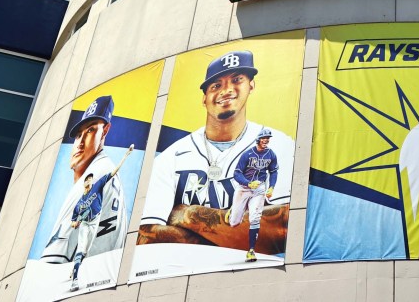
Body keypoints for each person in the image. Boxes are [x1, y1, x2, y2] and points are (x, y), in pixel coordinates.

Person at [138, 50, 294, 255]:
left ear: (251, 86)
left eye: (237, 79)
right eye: (216, 85)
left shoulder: (280, 144)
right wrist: (232, 237)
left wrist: (189, 214)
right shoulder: (170, 158)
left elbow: (282, 228)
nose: (226, 90)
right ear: (204, 98)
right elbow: (146, 238)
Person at [41, 95, 129, 266]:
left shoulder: (92, 178)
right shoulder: (106, 170)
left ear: (105, 131)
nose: (80, 143)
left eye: (90, 130)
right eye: (78, 135)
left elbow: (50, 265)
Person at [69, 144, 134, 287]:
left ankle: (75, 266)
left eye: (91, 179)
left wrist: (126, 155)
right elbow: (73, 222)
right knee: (81, 249)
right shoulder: (79, 204)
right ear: (84, 183)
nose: (90, 181)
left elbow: (113, 172)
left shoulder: (97, 186)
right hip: (85, 225)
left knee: (86, 251)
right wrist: (76, 222)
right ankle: (75, 279)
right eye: (88, 179)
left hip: (95, 221)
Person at [225, 128, 279, 261]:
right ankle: (234, 211)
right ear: (258, 139)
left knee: (255, 218)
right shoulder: (247, 154)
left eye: (268, 138)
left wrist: (271, 187)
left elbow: (273, 172)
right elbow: (236, 173)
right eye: (264, 137)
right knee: (234, 223)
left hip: (259, 189)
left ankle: (251, 251)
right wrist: (248, 183)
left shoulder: (271, 154)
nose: (266, 140)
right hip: (244, 188)